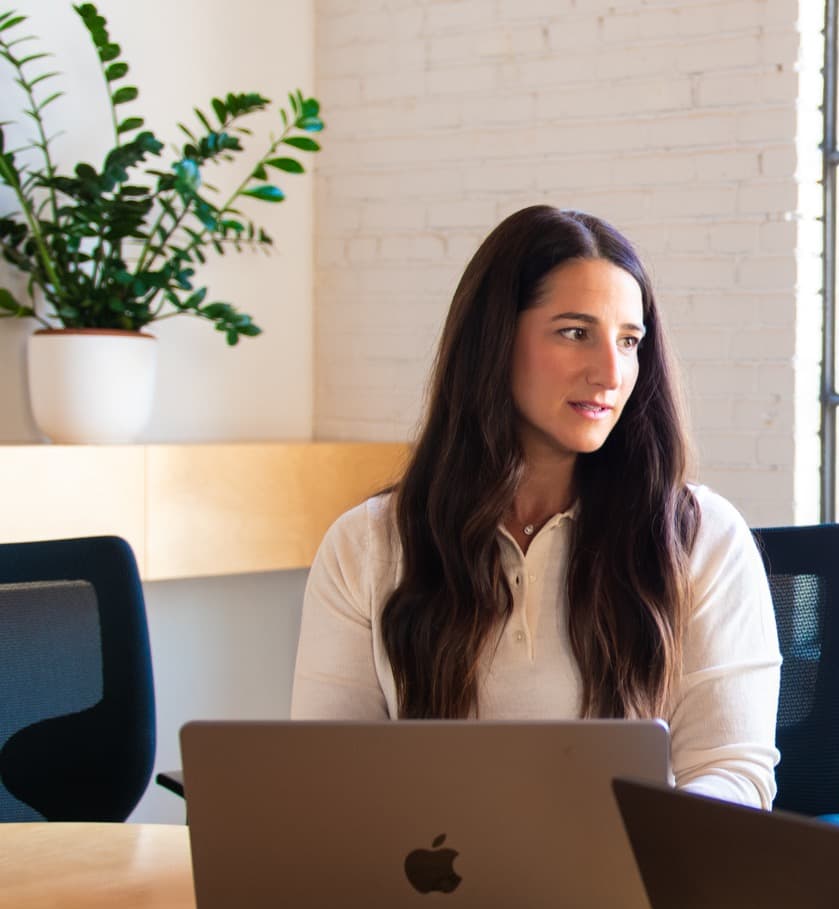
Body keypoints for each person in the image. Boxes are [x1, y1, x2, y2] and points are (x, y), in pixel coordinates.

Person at [291, 205, 780, 808]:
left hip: (630, 887)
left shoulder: (703, 538)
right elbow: (329, 782)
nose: (610, 372)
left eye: (629, 342)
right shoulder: (367, 545)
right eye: (575, 332)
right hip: (439, 892)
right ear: (494, 343)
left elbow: (733, 772)